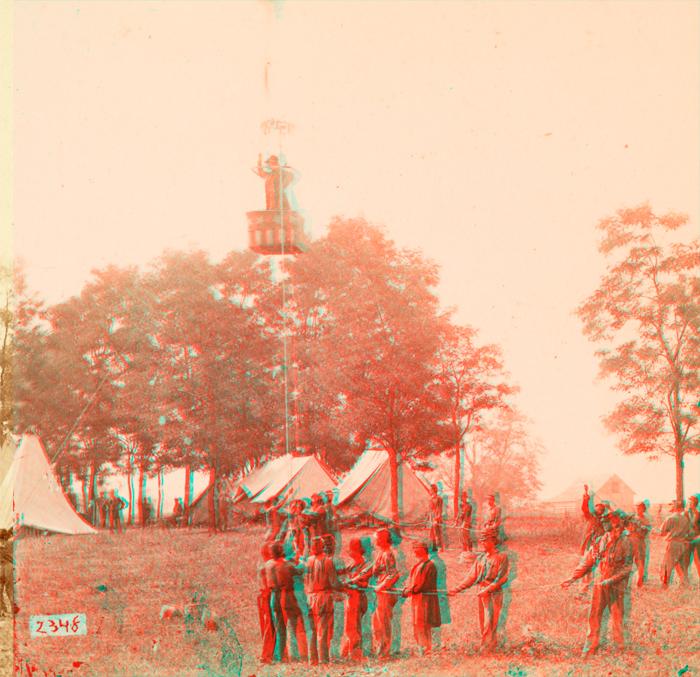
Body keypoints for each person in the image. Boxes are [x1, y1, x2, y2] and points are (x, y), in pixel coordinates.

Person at [561, 510, 633, 657]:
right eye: (606, 519)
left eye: (610, 519)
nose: (606, 522)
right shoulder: (602, 539)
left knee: (617, 617)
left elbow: (627, 568)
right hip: (600, 584)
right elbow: (589, 561)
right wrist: (573, 578)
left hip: (616, 586)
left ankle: (620, 650)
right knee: (594, 616)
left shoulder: (627, 542)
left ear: (618, 522)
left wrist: (611, 580)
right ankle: (590, 649)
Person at [448, 529, 510, 652]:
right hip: (482, 592)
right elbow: (471, 577)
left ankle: (487, 646)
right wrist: (456, 589)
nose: (483, 544)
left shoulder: (501, 557)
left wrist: (488, 589)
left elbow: (501, 578)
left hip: (494, 593)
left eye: (485, 541)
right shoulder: (481, 558)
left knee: (490, 619)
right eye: (481, 541)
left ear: (493, 541)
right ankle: (489, 644)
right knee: (483, 620)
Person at [350, 528, 401, 659]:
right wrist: (356, 578)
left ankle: (385, 653)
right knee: (377, 622)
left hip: (386, 592)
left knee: (383, 623)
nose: (375, 540)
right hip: (380, 591)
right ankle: (381, 649)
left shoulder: (389, 553)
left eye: (377, 538)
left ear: (383, 539)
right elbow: (371, 569)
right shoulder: (380, 553)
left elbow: (394, 574)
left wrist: (382, 585)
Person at [266, 542, 308, 663]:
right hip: (287, 596)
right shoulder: (287, 566)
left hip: (274, 596)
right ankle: (296, 654)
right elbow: (300, 570)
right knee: (294, 624)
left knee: (280, 627)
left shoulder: (268, 564)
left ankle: (281, 655)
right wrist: (301, 559)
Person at [305, 536, 341, 665]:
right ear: (322, 546)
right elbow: (334, 582)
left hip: (310, 597)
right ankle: (323, 659)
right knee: (323, 629)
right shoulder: (327, 561)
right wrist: (344, 586)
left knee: (312, 630)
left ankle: (312, 659)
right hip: (323, 597)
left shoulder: (308, 561)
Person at [403, 541, 442, 655]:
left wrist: (410, 590)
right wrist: (408, 589)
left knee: (424, 624)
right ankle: (421, 647)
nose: (414, 551)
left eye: (417, 548)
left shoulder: (430, 565)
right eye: (414, 548)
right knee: (417, 624)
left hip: (426, 600)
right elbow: (413, 583)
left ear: (424, 550)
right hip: (417, 599)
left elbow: (422, 585)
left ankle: (426, 649)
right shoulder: (417, 565)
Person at [339, 537, 368, 661]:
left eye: (351, 550)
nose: (349, 553)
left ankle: (355, 655)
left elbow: (364, 584)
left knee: (353, 628)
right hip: (351, 597)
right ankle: (346, 653)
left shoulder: (363, 565)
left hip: (357, 597)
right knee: (351, 627)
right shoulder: (352, 564)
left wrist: (350, 583)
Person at [660, 500, 691, 587]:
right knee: (680, 566)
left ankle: (665, 585)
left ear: (676, 507)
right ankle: (684, 585)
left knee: (667, 565)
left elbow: (662, 532)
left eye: (672, 505)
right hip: (682, 544)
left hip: (673, 544)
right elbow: (688, 533)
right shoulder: (685, 519)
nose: (670, 507)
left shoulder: (670, 518)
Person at [257, 543, 276, 664]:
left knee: (267, 627)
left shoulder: (261, 566)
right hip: (267, 596)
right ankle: (265, 655)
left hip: (262, 596)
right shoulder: (267, 568)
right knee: (270, 627)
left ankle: (268, 653)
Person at [626, 502, 651, 587]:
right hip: (630, 541)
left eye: (640, 508)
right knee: (627, 561)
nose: (638, 509)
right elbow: (625, 525)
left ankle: (639, 582)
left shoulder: (645, 519)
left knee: (640, 562)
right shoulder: (631, 517)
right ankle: (627, 582)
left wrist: (644, 528)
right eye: (636, 507)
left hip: (640, 542)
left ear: (643, 509)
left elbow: (648, 529)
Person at [580, 485, 607, 553]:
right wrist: (585, 499)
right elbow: (584, 509)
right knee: (587, 554)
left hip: (599, 541)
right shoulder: (590, 516)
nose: (598, 510)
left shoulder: (603, 519)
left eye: (601, 509)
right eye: (597, 508)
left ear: (602, 511)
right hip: (589, 540)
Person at [685, 494, 700, 582]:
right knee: (686, 561)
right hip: (688, 539)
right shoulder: (686, 513)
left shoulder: (699, 514)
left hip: (698, 540)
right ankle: (685, 581)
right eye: (689, 500)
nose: (690, 502)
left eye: (692, 500)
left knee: (698, 561)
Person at [0, 529, 13, 616]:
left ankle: (4, 610)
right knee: (8, 589)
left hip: (4, 566)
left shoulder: (8, 544)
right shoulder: (10, 543)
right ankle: (7, 610)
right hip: (7, 566)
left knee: (4, 589)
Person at [429, 485, 444, 552]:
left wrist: (437, 518)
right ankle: (434, 547)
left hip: (437, 517)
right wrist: (430, 518)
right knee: (432, 533)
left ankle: (440, 548)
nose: (430, 491)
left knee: (437, 533)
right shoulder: (431, 499)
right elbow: (430, 510)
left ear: (434, 490)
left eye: (431, 489)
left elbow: (440, 509)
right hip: (432, 517)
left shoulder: (439, 498)